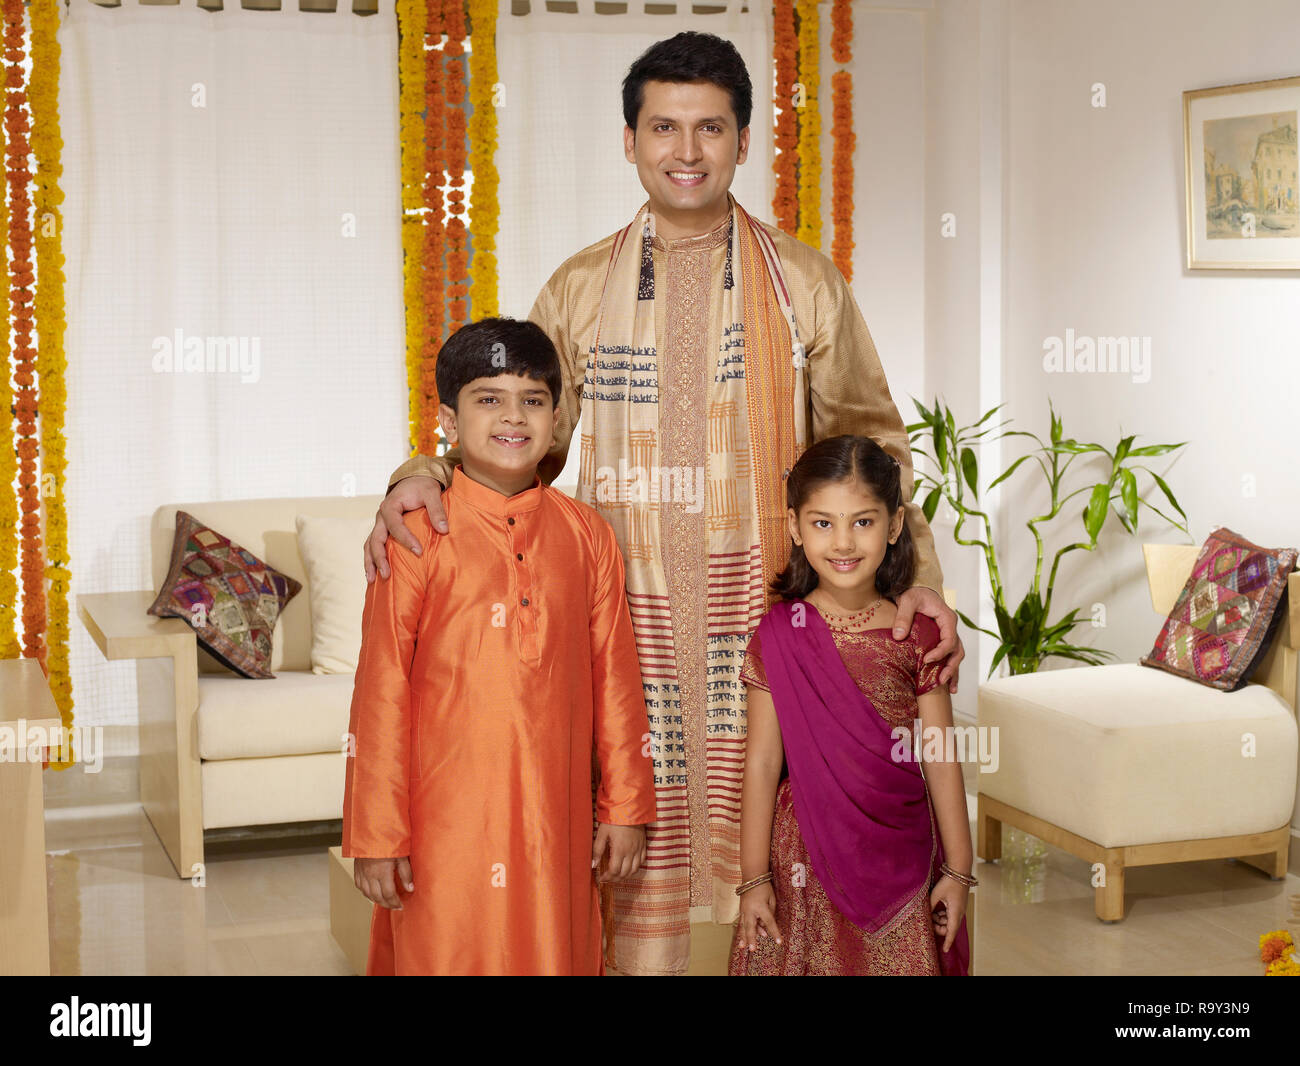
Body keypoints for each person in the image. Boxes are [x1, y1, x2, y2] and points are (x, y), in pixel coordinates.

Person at [364, 32, 967, 976]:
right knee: (620, 852)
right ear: (630, 141)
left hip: (772, 628)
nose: (687, 151)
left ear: (743, 140)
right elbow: (514, 433)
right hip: (621, 627)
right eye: (664, 128)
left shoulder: (803, 282)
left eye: (710, 129)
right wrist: (418, 469)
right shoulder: (579, 286)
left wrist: (920, 578)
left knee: (785, 865)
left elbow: (874, 444)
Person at [341, 317, 657, 975]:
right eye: (489, 399)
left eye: (533, 401)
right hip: (443, 828)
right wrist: (376, 836)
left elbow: (616, 679)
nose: (514, 417)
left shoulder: (585, 535)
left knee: (555, 948)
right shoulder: (417, 532)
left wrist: (625, 805)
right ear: (449, 423)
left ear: (555, 416)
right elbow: (381, 688)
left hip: (556, 822)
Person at [729, 435, 972, 975]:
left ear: (893, 525)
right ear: (794, 526)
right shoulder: (776, 636)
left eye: (862, 521)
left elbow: (939, 754)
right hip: (802, 858)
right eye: (822, 523)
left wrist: (958, 871)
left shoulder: (919, 635)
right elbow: (763, 763)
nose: (843, 542)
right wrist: (754, 880)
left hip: (902, 853)